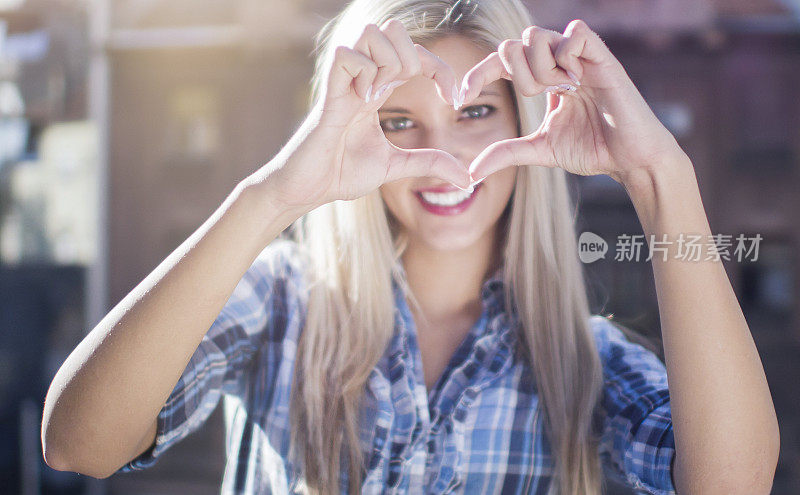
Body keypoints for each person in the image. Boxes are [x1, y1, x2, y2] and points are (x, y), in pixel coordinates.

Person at [41, 0, 780, 493]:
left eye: (477, 111)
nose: (444, 157)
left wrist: (660, 177)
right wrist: (274, 194)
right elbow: (79, 443)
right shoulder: (280, 302)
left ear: (524, 117)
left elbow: (735, 483)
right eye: (400, 122)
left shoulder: (581, 357)